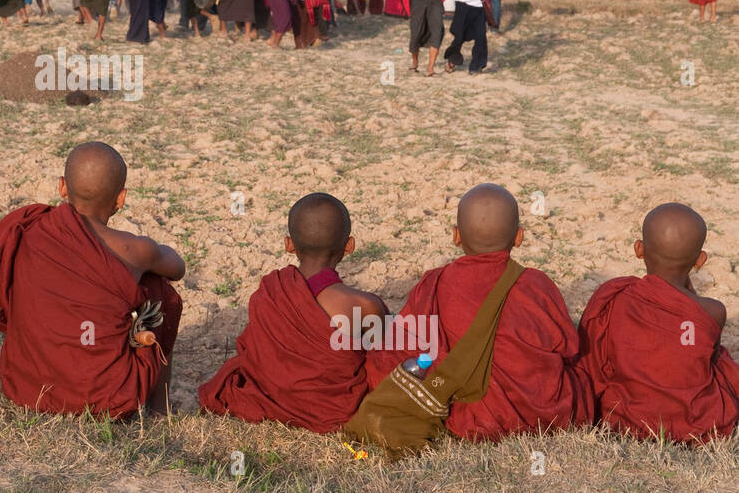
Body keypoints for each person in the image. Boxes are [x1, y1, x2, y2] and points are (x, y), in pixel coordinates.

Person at [365, 184, 593, 440]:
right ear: (519, 237)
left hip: (464, 413)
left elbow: (405, 343)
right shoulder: (537, 285)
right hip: (536, 414)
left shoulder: (435, 283)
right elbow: (568, 347)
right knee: (583, 375)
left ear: (456, 236)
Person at [0, 142, 184, 417]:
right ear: (121, 198)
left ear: (62, 186)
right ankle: (160, 408)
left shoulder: (30, 230)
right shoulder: (132, 249)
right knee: (159, 290)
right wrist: (147, 254)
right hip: (108, 398)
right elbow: (177, 268)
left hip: (30, 390)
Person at [199, 194, 388, 431]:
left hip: (269, 398)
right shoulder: (364, 306)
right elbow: (386, 360)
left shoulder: (271, 292)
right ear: (349, 246)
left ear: (289, 244)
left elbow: (258, 357)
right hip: (334, 410)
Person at [578, 203, 739, 443]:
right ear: (700, 260)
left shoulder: (616, 297)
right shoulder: (713, 310)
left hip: (625, 417)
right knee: (725, 365)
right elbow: (703, 360)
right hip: (695, 422)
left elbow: (592, 362)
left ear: (639, 249)